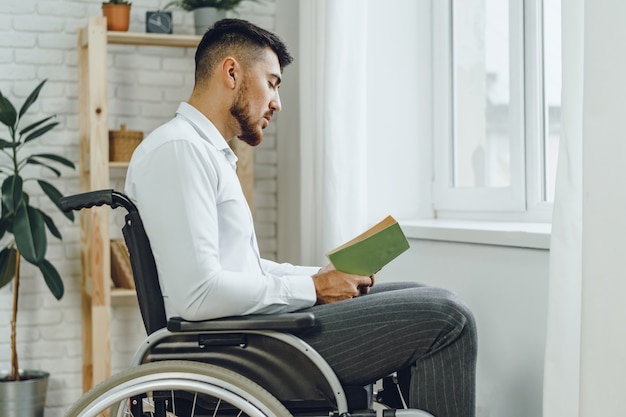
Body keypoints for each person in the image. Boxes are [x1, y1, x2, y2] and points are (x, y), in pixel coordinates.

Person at [125, 18, 477, 417]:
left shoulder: (202, 152)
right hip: (240, 352)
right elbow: (199, 296)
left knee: (415, 291)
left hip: (245, 337)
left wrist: (324, 277)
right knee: (449, 317)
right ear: (231, 71)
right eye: (272, 82)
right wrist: (313, 287)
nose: (277, 102)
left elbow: (243, 270)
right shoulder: (179, 150)